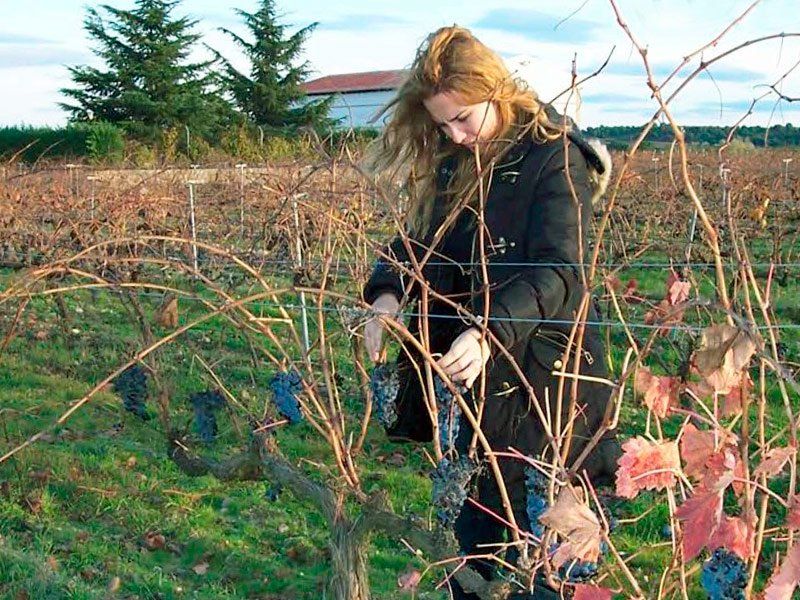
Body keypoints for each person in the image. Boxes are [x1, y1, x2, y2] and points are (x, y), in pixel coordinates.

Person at [362, 26, 621, 599]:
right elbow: (422, 242)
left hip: (550, 389)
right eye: (443, 126)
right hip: (474, 396)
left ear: (495, 91)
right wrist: (387, 293)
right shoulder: (457, 163)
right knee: (473, 559)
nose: (455, 135)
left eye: (463, 118)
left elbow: (561, 271)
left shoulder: (555, 157)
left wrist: (487, 330)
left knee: (552, 565)